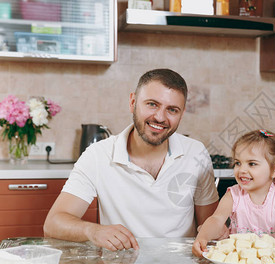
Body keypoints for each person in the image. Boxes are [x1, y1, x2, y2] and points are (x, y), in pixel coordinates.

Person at [44, 69, 219, 251]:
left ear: (181, 114)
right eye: (152, 104)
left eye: (172, 110)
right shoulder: (98, 155)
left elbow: (210, 226)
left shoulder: (195, 152)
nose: (160, 117)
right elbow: (53, 224)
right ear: (133, 102)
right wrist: (93, 231)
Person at [192, 129, 275, 261]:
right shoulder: (233, 195)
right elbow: (216, 219)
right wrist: (202, 237)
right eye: (238, 163)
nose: (242, 170)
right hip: (243, 261)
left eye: (252, 164)